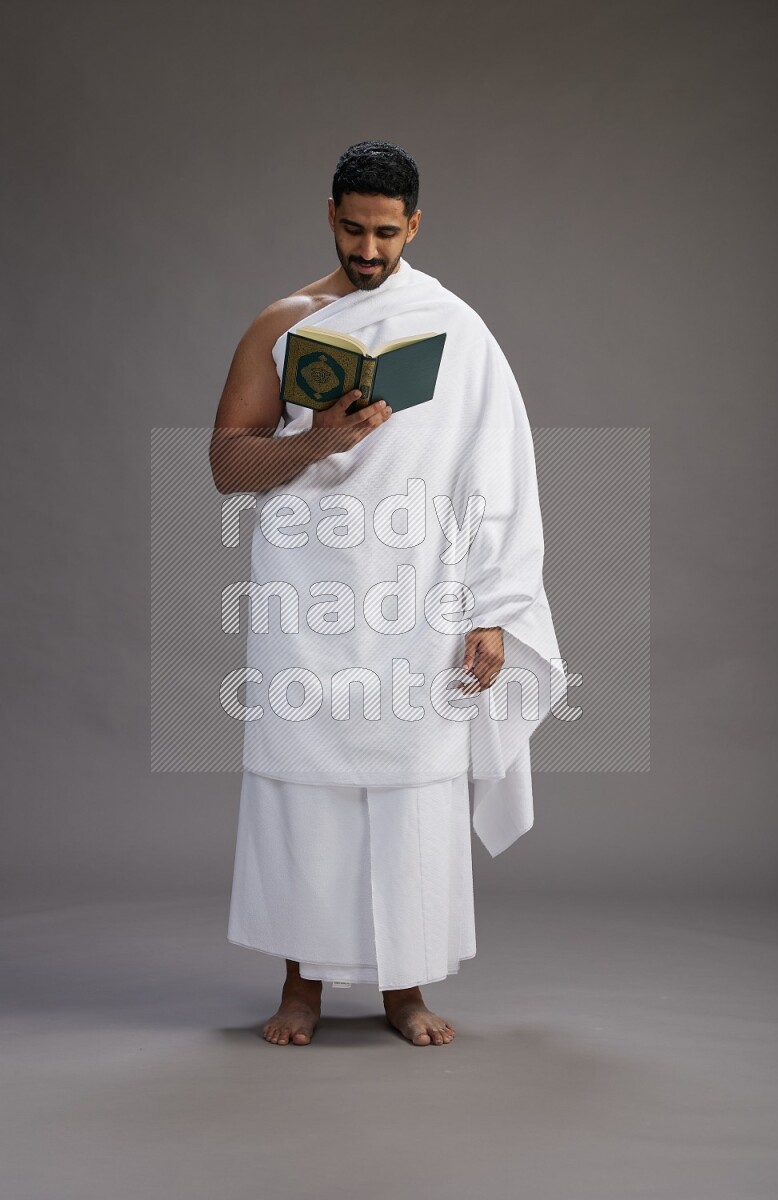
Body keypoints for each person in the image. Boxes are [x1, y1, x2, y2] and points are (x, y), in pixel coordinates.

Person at [209, 141, 566, 1047]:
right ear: (329, 215)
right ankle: (302, 990)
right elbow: (227, 463)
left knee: (414, 789)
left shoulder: (455, 329)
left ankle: (406, 990)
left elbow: (499, 471)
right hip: (310, 600)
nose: (368, 249)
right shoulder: (283, 324)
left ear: (415, 224)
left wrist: (493, 608)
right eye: (352, 228)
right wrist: (317, 441)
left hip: (421, 596)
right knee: (305, 789)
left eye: (385, 232)